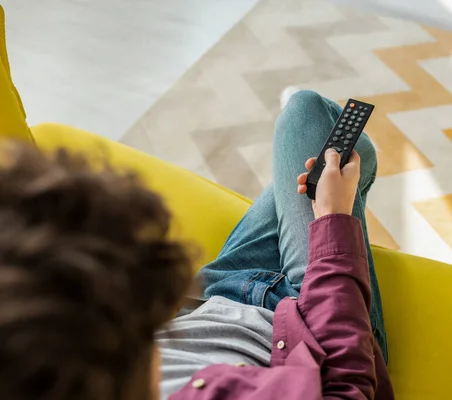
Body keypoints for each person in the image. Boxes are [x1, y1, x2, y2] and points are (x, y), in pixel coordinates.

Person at [0, 90, 393, 400]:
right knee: (310, 115)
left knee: (334, 149)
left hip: (215, 299)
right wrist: (332, 220)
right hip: (316, 328)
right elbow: (348, 384)